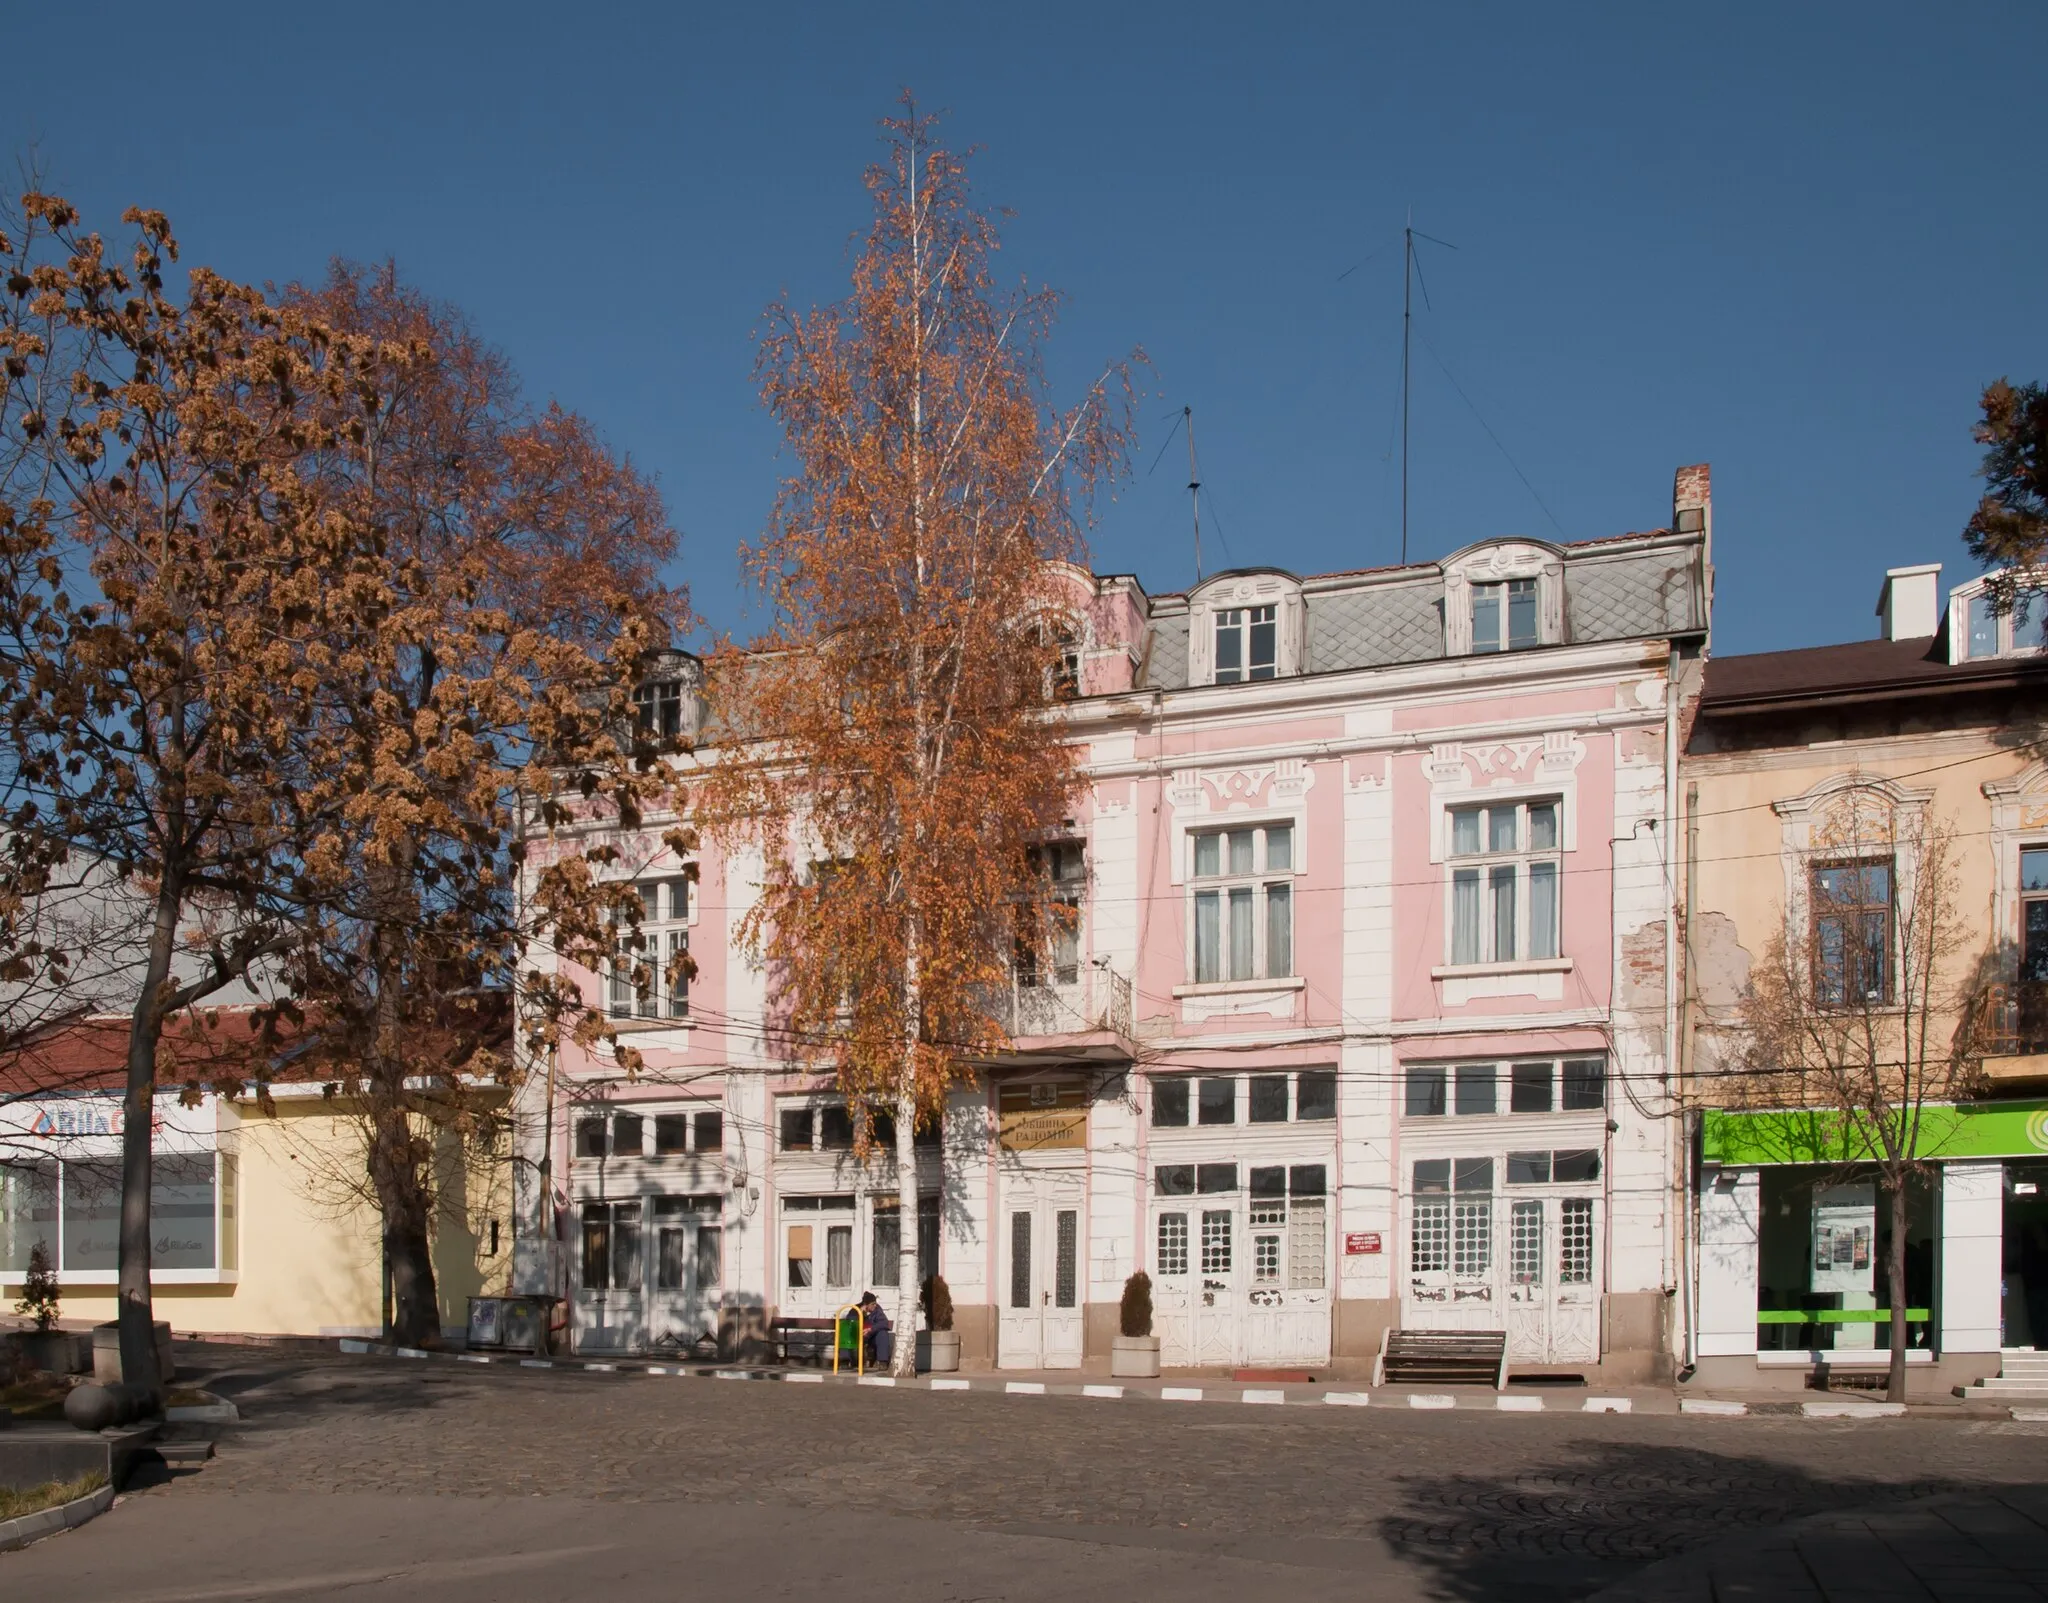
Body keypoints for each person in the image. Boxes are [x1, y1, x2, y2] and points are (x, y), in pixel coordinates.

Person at [859, 1290, 893, 1367]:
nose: (875, 1305)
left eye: (875, 1303)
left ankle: (882, 1362)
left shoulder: (877, 1311)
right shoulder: (856, 1309)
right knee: (845, 1334)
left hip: (871, 1337)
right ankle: (845, 1361)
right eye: (872, 1304)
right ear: (865, 1305)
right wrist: (860, 1314)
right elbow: (849, 1320)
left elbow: (883, 1323)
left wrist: (871, 1329)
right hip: (858, 1335)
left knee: (882, 1334)